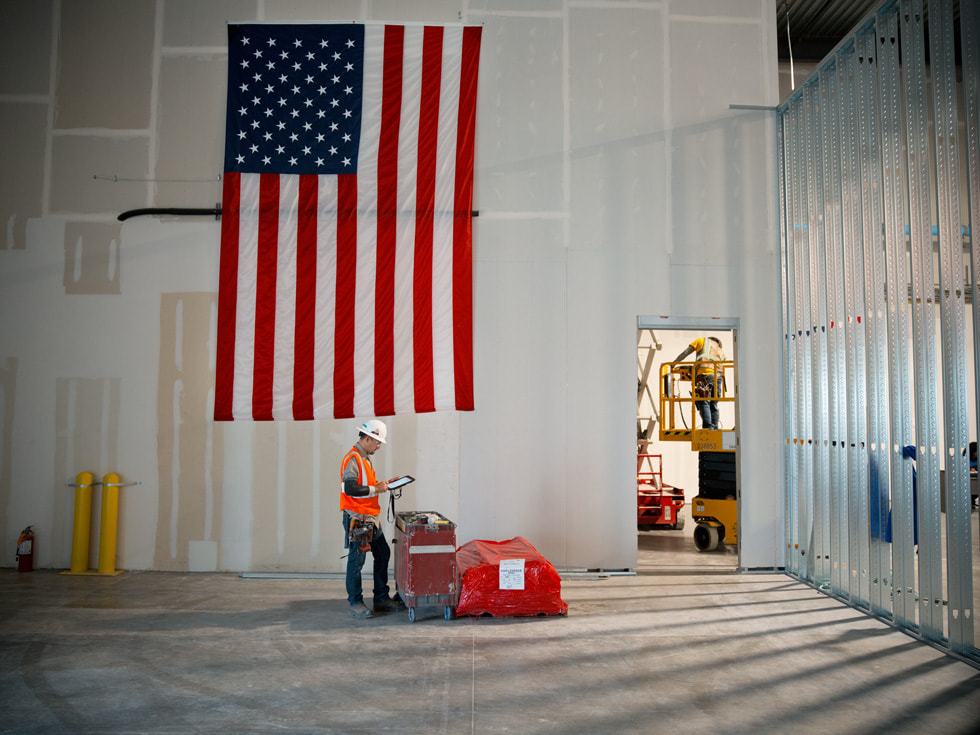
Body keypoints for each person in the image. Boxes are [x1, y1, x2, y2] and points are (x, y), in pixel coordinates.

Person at [340, 419, 404, 618]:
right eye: (377, 442)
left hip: (369, 519)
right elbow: (349, 488)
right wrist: (377, 488)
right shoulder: (353, 458)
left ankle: (381, 599)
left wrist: (382, 485)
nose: (378, 446)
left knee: (383, 553)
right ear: (368, 438)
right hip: (358, 519)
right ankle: (356, 603)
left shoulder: (364, 457)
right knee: (356, 561)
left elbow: (364, 486)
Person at [674, 336, 725, 430]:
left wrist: (673, 364)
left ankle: (708, 428)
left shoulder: (702, 341)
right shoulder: (720, 350)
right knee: (714, 403)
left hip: (704, 375)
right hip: (718, 377)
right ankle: (714, 427)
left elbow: (686, 352)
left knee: (704, 401)